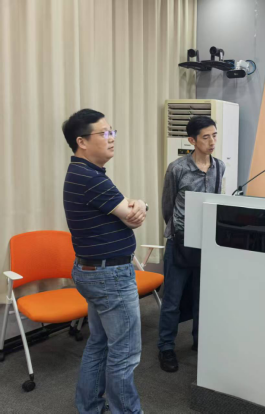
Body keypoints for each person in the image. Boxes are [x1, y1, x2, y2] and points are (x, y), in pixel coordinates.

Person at [62, 109, 148, 415]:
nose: (111, 139)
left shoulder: (84, 173)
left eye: (112, 132)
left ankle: (89, 407)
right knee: (125, 354)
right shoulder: (90, 178)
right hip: (109, 276)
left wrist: (136, 205)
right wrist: (140, 203)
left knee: (99, 344)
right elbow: (132, 216)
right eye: (104, 133)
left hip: (94, 271)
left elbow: (129, 211)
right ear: (82, 141)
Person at [158, 116, 225, 373]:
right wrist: (177, 230)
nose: (212, 141)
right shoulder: (177, 169)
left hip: (206, 243)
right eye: (206, 137)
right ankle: (166, 347)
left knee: (202, 298)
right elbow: (167, 206)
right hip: (180, 242)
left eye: (214, 135)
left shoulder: (219, 167)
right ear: (192, 140)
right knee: (172, 301)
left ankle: (200, 341)